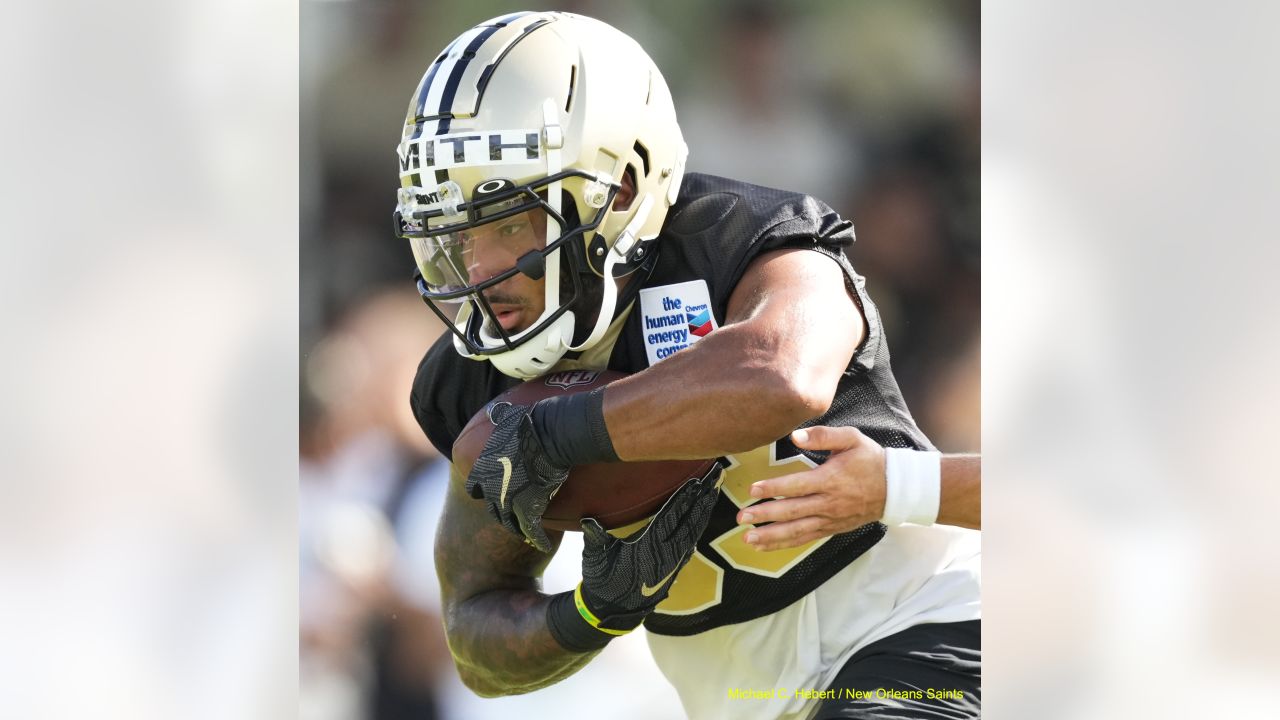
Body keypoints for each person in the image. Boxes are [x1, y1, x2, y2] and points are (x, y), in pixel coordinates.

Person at [394, 11, 980, 720]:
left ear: (623, 188)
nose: (480, 271)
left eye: (509, 224)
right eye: (456, 234)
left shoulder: (740, 241)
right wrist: (593, 611)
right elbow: (474, 636)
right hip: (739, 696)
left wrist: (560, 431)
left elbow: (781, 376)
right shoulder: (472, 380)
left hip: (913, 618)